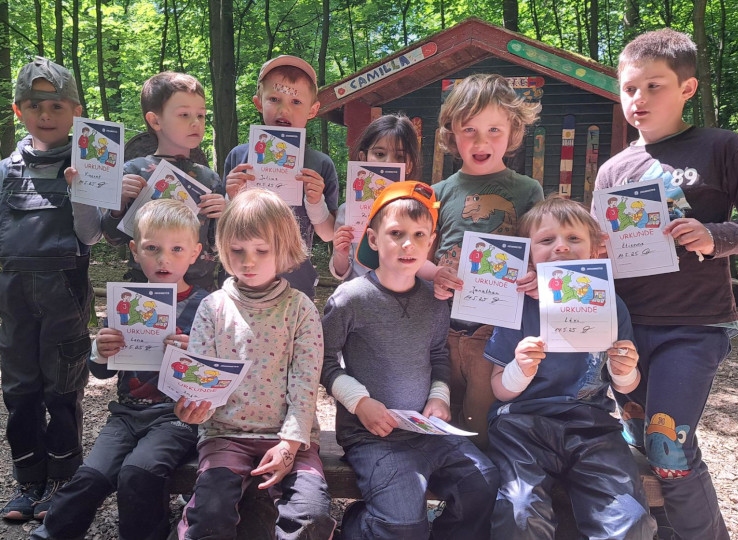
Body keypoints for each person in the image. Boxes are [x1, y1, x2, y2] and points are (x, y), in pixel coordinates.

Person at [595, 28, 738, 540]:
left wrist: (715, 236)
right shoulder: (614, 169)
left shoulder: (721, 147)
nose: (638, 99)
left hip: (694, 325)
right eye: (629, 88)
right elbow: (596, 249)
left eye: (653, 86)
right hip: (626, 329)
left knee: (668, 447)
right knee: (639, 441)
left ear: (687, 88)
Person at [322, 181, 499, 539]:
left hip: (427, 431)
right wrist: (360, 403)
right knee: (403, 525)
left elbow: (437, 354)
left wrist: (439, 397)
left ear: (431, 242)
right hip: (373, 434)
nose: (408, 244)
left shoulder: (434, 301)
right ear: (373, 239)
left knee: (483, 483)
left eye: (419, 235)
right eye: (396, 233)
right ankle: (356, 525)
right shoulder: (350, 299)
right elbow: (323, 361)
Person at [30, 199, 208, 540]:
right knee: (91, 476)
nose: (164, 259)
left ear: (194, 253)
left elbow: (212, 378)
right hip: (125, 415)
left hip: (177, 418)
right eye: (152, 248)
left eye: (176, 249)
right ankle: (49, 534)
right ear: (135, 251)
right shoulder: (126, 303)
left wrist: (193, 355)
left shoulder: (207, 306)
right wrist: (100, 351)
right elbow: (102, 373)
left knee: (139, 471)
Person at [484, 197, 656, 539]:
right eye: (547, 240)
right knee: (520, 513)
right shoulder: (517, 304)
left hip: (592, 427)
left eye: (573, 238)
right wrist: (520, 369)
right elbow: (499, 389)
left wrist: (624, 369)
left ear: (595, 251)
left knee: (631, 522)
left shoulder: (610, 304)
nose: (561, 247)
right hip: (522, 425)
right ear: (529, 255)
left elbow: (625, 386)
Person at [173, 189, 336, 540]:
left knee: (310, 515)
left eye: (261, 251)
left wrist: (289, 445)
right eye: (237, 250)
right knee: (210, 515)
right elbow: (201, 385)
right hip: (225, 436)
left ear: (284, 250)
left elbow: (305, 387)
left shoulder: (300, 309)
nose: (248, 261)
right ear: (222, 248)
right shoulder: (212, 308)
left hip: (292, 439)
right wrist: (193, 410)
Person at [0, 56, 101, 521]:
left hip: (64, 294)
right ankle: (28, 480)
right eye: (34, 106)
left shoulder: (90, 162)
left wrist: (81, 191)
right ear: (19, 111)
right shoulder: (6, 168)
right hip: (13, 295)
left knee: (62, 389)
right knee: (20, 389)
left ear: (75, 112)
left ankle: (64, 477)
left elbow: (91, 235)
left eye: (56, 106)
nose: (45, 115)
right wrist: (3, 246)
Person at [423, 73, 545, 448]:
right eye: (469, 130)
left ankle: (483, 481)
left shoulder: (527, 190)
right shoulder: (436, 193)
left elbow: (540, 252)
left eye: (494, 130)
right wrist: (435, 274)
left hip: (498, 334)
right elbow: (419, 260)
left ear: (513, 132)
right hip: (442, 328)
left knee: (482, 427)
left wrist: (536, 275)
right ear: (452, 133)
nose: (481, 142)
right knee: (440, 418)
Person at [222, 55, 338, 299]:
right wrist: (230, 198)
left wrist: (316, 201)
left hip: (295, 283)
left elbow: (328, 235)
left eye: (296, 101)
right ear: (258, 103)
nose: (284, 110)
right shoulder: (239, 157)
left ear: (313, 110)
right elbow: (223, 228)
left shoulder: (320, 165)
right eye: (274, 99)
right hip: (243, 280)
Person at [99, 72, 226, 291]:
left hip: (201, 292)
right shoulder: (134, 172)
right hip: (146, 291)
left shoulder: (209, 179)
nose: (195, 122)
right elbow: (114, 238)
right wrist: (118, 205)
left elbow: (217, 245)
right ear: (155, 120)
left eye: (201, 115)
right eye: (184, 115)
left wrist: (225, 215)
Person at [330, 113, 423, 283]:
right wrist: (340, 253)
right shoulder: (348, 211)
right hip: (358, 295)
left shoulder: (420, 213)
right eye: (380, 154)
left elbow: (422, 267)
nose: (389, 163)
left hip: (400, 296)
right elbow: (341, 271)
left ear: (409, 165)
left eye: (400, 157)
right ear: (363, 157)